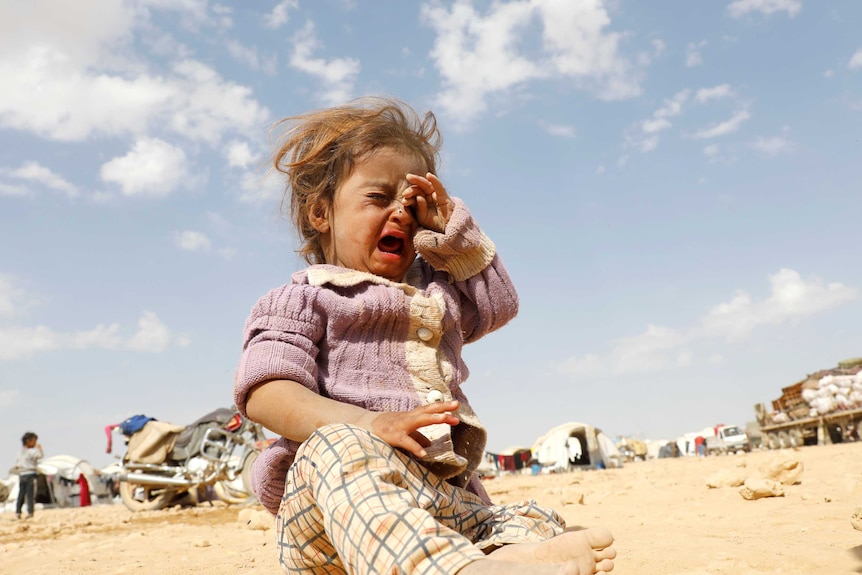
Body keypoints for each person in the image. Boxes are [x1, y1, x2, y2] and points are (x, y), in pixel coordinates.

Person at [233, 97, 616, 575]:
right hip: (335, 511)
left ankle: (507, 557)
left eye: (412, 204)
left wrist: (454, 238)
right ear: (320, 213)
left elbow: (498, 305)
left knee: (524, 514)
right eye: (378, 198)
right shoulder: (300, 299)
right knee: (338, 445)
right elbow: (267, 393)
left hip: (442, 505)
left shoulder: (435, 293)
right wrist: (369, 424)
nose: (401, 214)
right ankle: (463, 570)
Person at [14, 432, 43, 519]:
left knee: (21, 494)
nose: (35, 443)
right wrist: (40, 449)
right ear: (28, 441)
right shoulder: (32, 452)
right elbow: (40, 456)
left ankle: (18, 512)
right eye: (34, 441)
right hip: (30, 474)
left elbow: (17, 464)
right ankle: (30, 512)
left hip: (22, 474)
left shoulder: (19, 453)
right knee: (30, 494)